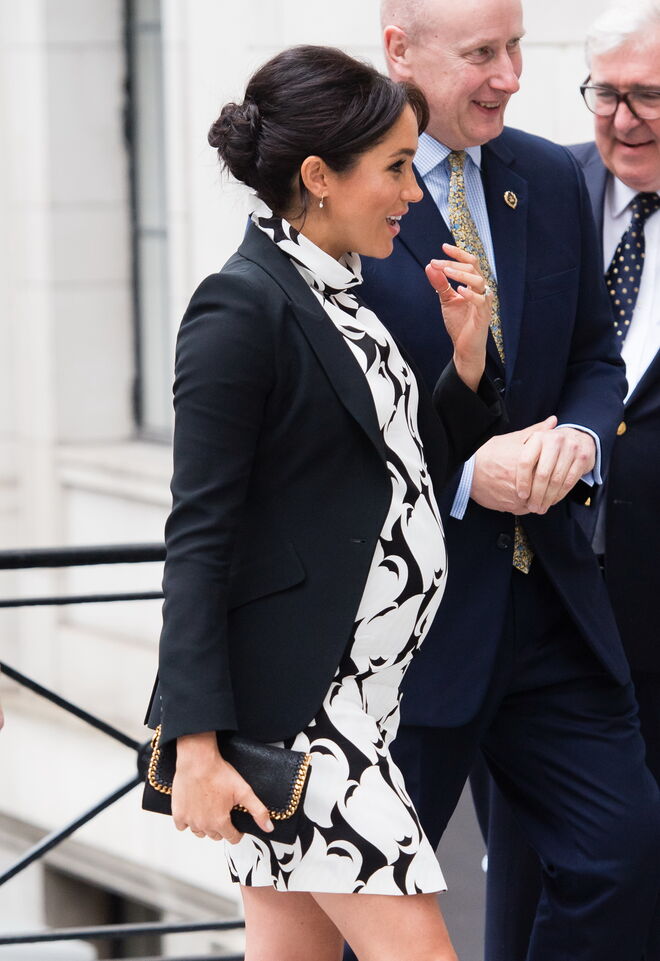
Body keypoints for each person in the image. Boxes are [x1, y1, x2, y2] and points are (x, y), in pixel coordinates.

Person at [145, 44, 505, 961]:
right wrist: (192, 745)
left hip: (365, 706)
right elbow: (199, 533)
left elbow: (400, 469)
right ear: (318, 176)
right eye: (394, 169)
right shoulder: (240, 307)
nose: (413, 195)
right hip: (307, 719)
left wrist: (467, 364)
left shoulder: (342, 295)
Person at [343, 2, 660, 960]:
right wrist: (471, 471)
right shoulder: (339, 193)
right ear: (400, 51)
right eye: (483, 54)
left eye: (517, 48)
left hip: (557, 605)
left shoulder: (552, 176)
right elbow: (331, 407)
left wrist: (579, 439)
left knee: (622, 855)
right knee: (371, 904)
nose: (511, 75)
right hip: (408, 622)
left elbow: (595, 359)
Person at [476, 3, 660, 958]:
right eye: (606, 95)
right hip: (543, 605)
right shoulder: (546, 184)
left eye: (650, 96)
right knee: (530, 873)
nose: (624, 119)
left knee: (634, 871)